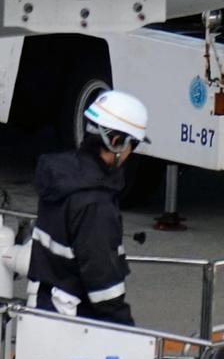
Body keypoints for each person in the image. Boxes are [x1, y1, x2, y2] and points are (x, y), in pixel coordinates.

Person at [26, 89, 148, 325]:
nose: (132, 153)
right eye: (133, 144)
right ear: (116, 142)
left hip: (43, 308)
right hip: (76, 323)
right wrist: (129, 331)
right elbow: (104, 287)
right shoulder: (95, 203)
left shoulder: (64, 177)